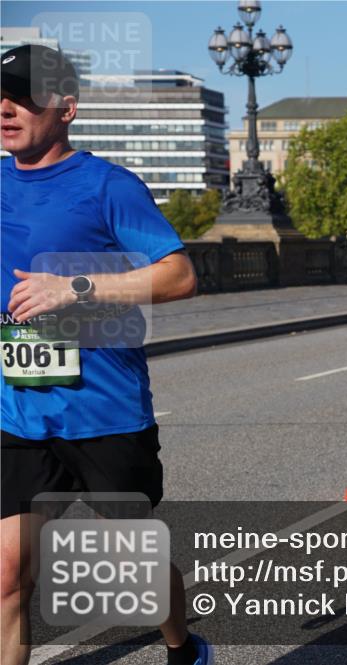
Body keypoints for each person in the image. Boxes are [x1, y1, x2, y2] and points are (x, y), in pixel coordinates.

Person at [0, 45, 211, 665]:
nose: (7, 109)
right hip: (18, 414)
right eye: (0, 96)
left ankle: (183, 648)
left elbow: (179, 275)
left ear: (66, 109)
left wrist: (75, 287)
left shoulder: (107, 186)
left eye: (24, 97)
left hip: (104, 412)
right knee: (8, 574)